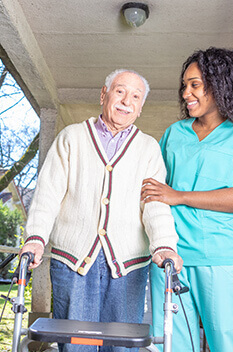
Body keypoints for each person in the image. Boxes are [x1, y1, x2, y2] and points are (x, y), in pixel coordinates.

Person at [20, 68, 183, 352]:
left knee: (122, 347)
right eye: (119, 91)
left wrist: (165, 245)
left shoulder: (148, 148)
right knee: (74, 344)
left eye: (135, 96)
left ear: (140, 108)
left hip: (128, 264)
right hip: (73, 260)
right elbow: (48, 194)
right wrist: (36, 238)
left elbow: (154, 204)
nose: (126, 101)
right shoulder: (71, 138)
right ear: (103, 95)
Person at [141, 47, 233, 352]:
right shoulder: (175, 133)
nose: (186, 92)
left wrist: (180, 196)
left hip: (220, 259)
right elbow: (156, 191)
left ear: (220, 85)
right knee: (171, 346)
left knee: (231, 345)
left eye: (195, 84)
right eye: (184, 85)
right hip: (170, 260)